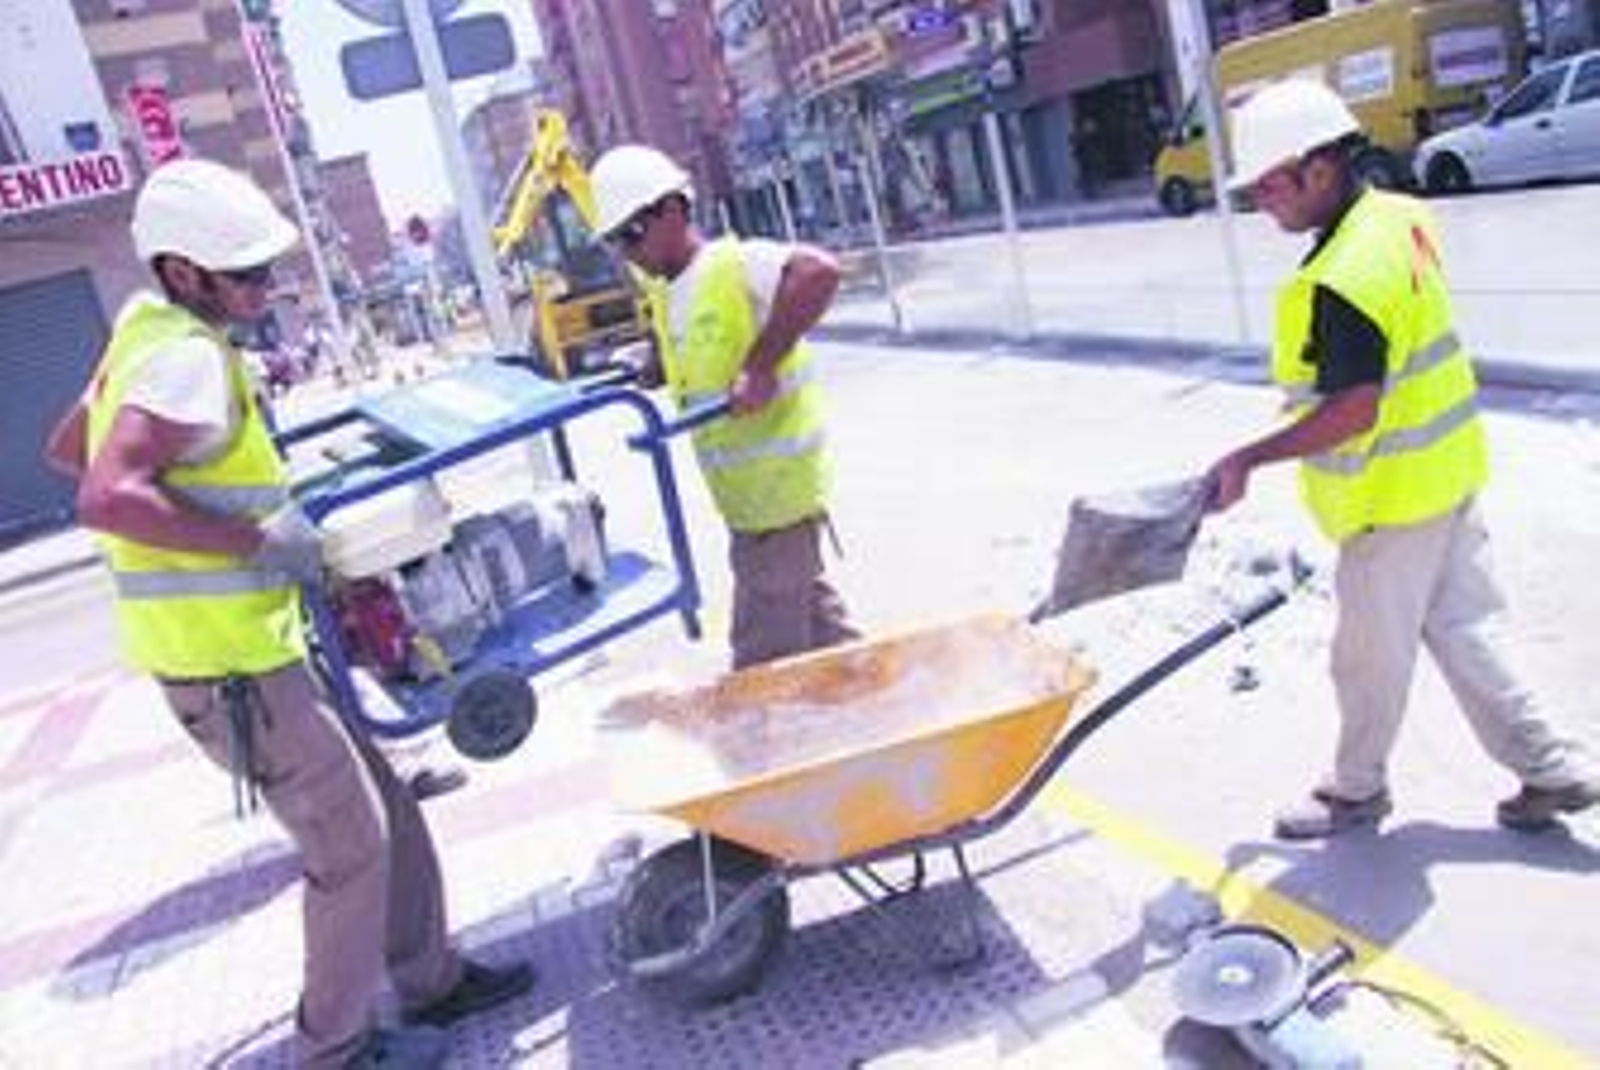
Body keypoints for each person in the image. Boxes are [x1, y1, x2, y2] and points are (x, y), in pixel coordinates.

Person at [44, 160, 531, 1068]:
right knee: (349, 851)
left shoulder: (141, 339)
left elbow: (70, 447)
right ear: (184, 273)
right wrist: (251, 542)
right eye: (249, 276)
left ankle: (431, 980)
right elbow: (106, 495)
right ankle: (334, 1048)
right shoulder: (184, 356)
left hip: (253, 650)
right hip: (231, 666)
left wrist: (210, 507)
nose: (267, 292)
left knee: (388, 805)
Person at [1204, 80, 1599, 841]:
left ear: (1320, 170)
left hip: (1391, 501)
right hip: (1447, 474)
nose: (1263, 205)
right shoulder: (1397, 218)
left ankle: (1354, 792)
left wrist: (1249, 458)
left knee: (1365, 661)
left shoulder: (1342, 279)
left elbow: (1356, 407)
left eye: (1269, 186)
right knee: (1466, 630)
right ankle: (1554, 767)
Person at [589, 144, 861, 670]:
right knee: (828, 640)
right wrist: (654, 368)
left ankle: (778, 749)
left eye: (631, 234)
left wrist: (760, 367)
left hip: (777, 500)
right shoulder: (670, 293)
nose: (627, 252)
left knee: (762, 667)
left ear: (672, 209)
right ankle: (900, 703)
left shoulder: (731, 263)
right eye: (614, 242)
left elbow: (819, 273)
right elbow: (700, 358)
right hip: (751, 507)